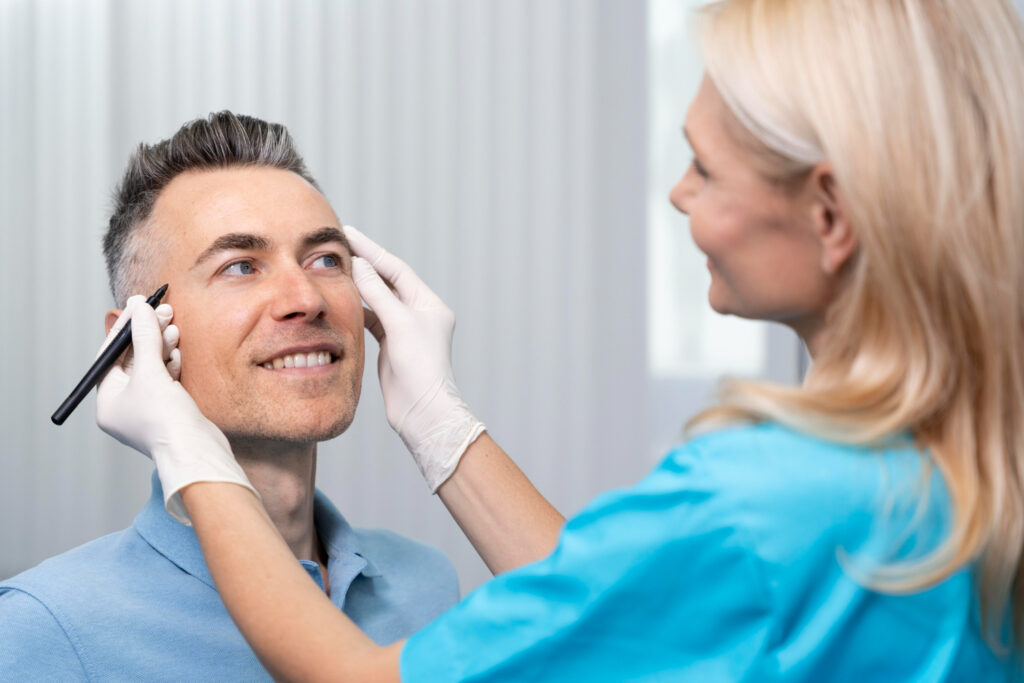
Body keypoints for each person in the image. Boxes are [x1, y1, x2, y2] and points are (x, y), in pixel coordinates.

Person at [96, 0, 1024, 680]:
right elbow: (631, 616)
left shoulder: (764, 501)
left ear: (828, 214)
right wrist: (442, 426)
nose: (678, 194)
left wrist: (189, 452)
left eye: (704, 168)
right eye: (241, 264)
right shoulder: (956, 467)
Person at [0, 113, 462, 680]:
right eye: (241, 266)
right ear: (135, 342)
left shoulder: (429, 586)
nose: (306, 298)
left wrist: (446, 425)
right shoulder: (44, 630)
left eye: (325, 259)